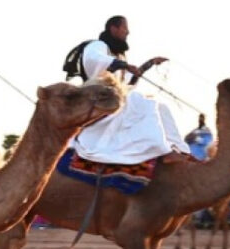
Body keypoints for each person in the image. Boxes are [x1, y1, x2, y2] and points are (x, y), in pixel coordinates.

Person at [69, 15, 189, 165]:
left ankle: (179, 148)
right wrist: (123, 65)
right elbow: (94, 59)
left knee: (161, 107)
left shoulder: (119, 56)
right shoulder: (98, 46)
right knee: (142, 102)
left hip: (115, 98)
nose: (127, 32)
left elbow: (128, 83)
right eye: (124, 28)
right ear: (114, 28)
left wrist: (150, 63)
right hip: (97, 98)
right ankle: (162, 150)